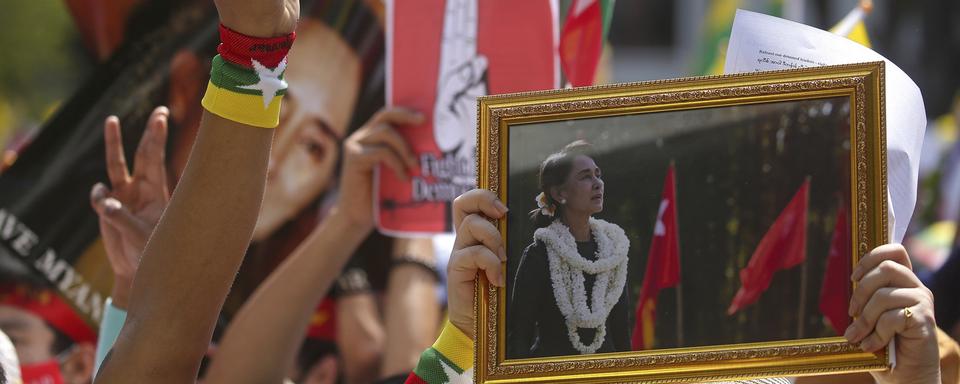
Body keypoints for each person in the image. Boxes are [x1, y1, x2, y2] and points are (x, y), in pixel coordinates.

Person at [508, 140, 631, 358]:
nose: (598, 183)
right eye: (585, 176)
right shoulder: (539, 255)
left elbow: (622, 334)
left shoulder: (613, 252)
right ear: (559, 193)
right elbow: (519, 337)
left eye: (598, 174)